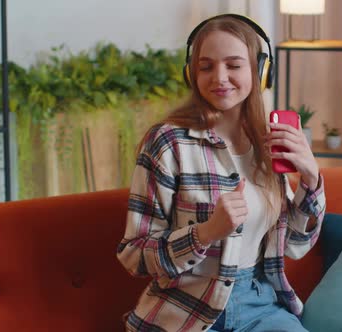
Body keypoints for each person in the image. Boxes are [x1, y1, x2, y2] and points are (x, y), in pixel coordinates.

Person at [117, 13, 325, 332]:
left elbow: (294, 246)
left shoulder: (268, 141)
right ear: (191, 74)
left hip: (260, 305)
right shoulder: (168, 142)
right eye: (206, 66)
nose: (220, 77)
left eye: (233, 64)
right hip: (186, 307)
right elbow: (134, 254)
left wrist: (311, 180)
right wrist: (206, 232)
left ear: (260, 71)